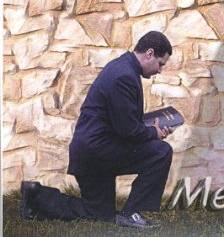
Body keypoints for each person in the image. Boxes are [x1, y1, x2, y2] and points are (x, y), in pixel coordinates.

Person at [20, 31, 174, 228]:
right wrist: (154, 133)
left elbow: (122, 121)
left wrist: (150, 129)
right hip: (97, 154)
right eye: (160, 64)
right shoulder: (124, 76)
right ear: (149, 53)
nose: (160, 70)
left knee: (99, 213)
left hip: (94, 152)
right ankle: (131, 214)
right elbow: (128, 130)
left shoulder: (122, 67)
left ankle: (35, 196)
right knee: (161, 151)